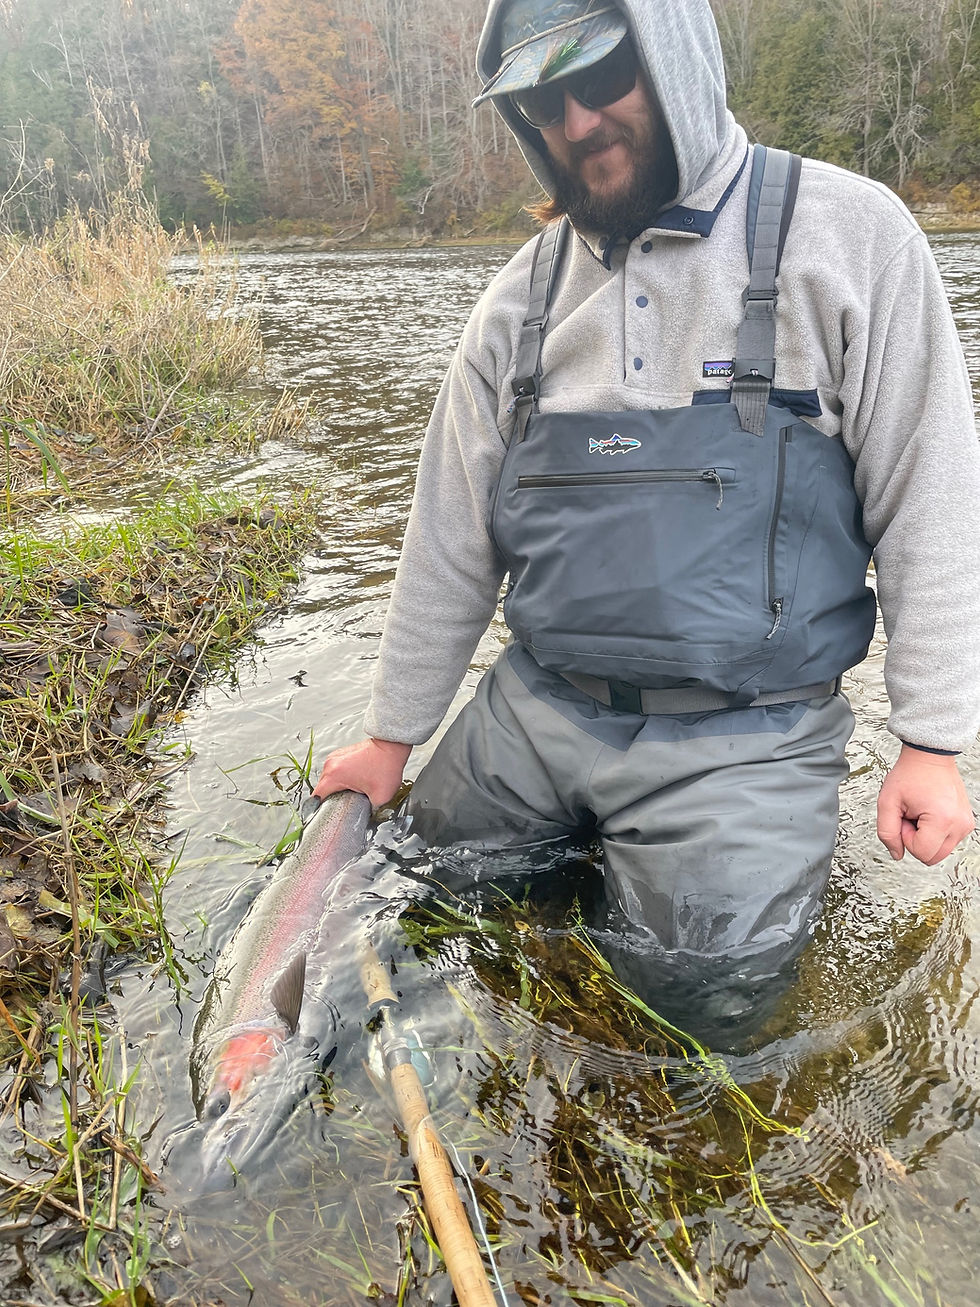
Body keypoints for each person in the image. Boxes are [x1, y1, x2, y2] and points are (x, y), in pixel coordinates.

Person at [315, 0, 979, 1041]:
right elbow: (446, 539)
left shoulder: (852, 240)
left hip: (744, 737)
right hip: (532, 713)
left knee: (701, 1009)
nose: (574, 121)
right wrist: (389, 738)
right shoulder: (513, 304)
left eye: (601, 76)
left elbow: (929, 500)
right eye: (539, 100)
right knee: (400, 904)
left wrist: (930, 742)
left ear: (673, 52)